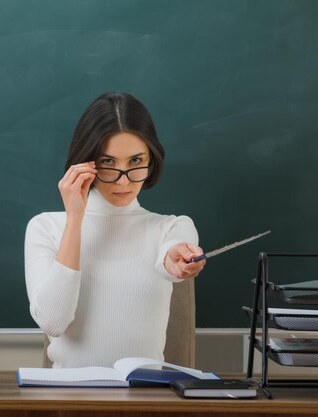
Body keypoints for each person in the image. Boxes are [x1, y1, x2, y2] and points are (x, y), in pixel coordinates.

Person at [24, 92, 206, 368]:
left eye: (135, 162)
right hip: (65, 399)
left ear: (151, 159)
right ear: (87, 162)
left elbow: (170, 256)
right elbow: (53, 322)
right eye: (108, 163)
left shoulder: (172, 227)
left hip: (144, 401)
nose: (123, 182)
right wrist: (75, 217)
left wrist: (175, 260)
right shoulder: (45, 227)